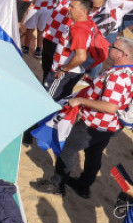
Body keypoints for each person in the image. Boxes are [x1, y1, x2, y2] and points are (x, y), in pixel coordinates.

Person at [32, 37, 133, 199]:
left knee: (68, 149)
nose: (109, 48)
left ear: (122, 55)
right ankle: (84, 186)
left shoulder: (117, 77)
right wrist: (95, 84)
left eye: (114, 47)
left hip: (95, 123)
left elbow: (110, 106)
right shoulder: (128, 71)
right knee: (94, 152)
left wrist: (80, 100)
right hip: (111, 125)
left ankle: (57, 184)